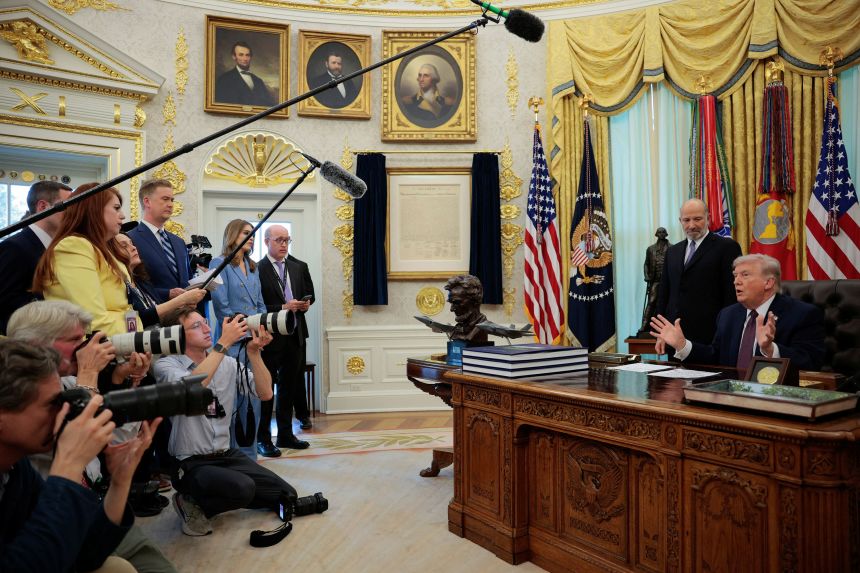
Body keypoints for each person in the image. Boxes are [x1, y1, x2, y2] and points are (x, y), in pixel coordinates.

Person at [7, 301, 178, 573]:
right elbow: (74, 436)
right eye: (76, 339)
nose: (88, 347)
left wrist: (121, 482)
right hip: (58, 511)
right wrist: (88, 375)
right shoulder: (44, 393)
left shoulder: (64, 385)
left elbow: (108, 438)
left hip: (90, 502)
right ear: (38, 346)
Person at [152, 310, 293, 536]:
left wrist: (254, 353)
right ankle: (189, 501)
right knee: (243, 489)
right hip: (190, 462)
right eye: (197, 326)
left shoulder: (227, 363)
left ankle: (221, 493)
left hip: (226, 455)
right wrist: (223, 343)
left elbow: (265, 393)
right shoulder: (166, 365)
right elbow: (192, 389)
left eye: (206, 323)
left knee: (285, 494)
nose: (208, 329)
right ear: (177, 335)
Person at [650, 254, 825, 371]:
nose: (736, 282)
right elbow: (716, 357)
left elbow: (810, 363)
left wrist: (771, 350)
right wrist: (683, 345)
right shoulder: (728, 315)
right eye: (735, 276)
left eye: (745, 275)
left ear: (769, 283)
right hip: (729, 399)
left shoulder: (803, 315)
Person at [32, 183, 140, 336]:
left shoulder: (103, 249)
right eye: (116, 208)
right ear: (93, 210)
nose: (122, 215)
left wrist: (136, 337)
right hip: (89, 351)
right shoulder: (73, 246)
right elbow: (93, 320)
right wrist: (135, 337)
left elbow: (129, 311)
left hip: (120, 344)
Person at [209, 219, 267, 458]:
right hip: (231, 340)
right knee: (232, 398)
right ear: (233, 235)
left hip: (253, 340)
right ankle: (231, 453)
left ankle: (250, 454)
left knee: (253, 398)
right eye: (246, 232)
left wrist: (262, 326)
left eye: (252, 233)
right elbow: (221, 307)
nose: (251, 237)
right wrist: (242, 328)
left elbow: (260, 303)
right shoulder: (218, 263)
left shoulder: (253, 266)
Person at [256, 225, 314, 455]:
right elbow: (257, 306)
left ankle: (286, 435)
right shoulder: (257, 269)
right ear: (266, 241)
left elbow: (310, 294)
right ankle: (263, 439)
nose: (283, 244)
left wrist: (306, 303)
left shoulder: (298, 267)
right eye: (279, 240)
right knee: (267, 390)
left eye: (287, 240)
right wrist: (283, 307)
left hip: (296, 334)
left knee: (289, 388)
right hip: (270, 338)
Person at [654, 198, 742, 345]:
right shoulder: (672, 252)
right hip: (675, 337)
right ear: (680, 221)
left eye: (697, 219)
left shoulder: (727, 247)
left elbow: (732, 296)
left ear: (708, 218)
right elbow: (664, 294)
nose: (691, 225)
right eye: (686, 220)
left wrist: (727, 333)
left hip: (710, 337)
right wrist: (661, 332)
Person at [0, 180, 72, 334]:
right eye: (67, 205)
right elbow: (5, 302)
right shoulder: (15, 247)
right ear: (42, 207)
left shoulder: (58, 247)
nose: (72, 213)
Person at [116, 232, 205, 328]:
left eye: (132, 243)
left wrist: (183, 305)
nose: (133, 248)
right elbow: (138, 319)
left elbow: (156, 312)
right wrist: (181, 300)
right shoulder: (117, 285)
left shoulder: (141, 281)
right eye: (124, 246)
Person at [126, 179, 192, 304]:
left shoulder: (179, 242)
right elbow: (130, 285)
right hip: (155, 317)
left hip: (186, 316)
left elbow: (187, 280)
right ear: (147, 201)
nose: (171, 204)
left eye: (172, 200)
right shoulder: (130, 239)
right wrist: (167, 294)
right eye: (165, 199)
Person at [214, 41, 276, 107]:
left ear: (250, 57)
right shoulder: (224, 79)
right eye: (241, 55)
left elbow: (269, 106)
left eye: (247, 55)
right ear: (234, 57)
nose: (245, 58)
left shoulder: (258, 81)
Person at [400, 62, 454, 128]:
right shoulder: (407, 102)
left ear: (434, 79)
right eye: (420, 75)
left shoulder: (448, 103)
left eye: (426, 76)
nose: (421, 79)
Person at [638, 227, 670, 335]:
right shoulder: (650, 249)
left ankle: (666, 327)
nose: (661, 234)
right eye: (659, 232)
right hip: (655, 281)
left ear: (666, 234)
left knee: (667, 303)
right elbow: (646, 264)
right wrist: (646, 276)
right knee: (651, 302)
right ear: (656, 234)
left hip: (668, 282)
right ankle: (645, 325)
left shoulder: (673, 248)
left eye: (663, 232)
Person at [444, 274, 488, 343]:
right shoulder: (458, 328)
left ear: (475, 301)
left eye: (457, 302)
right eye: (451, 303)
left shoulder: (481, 328)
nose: (451, 309)